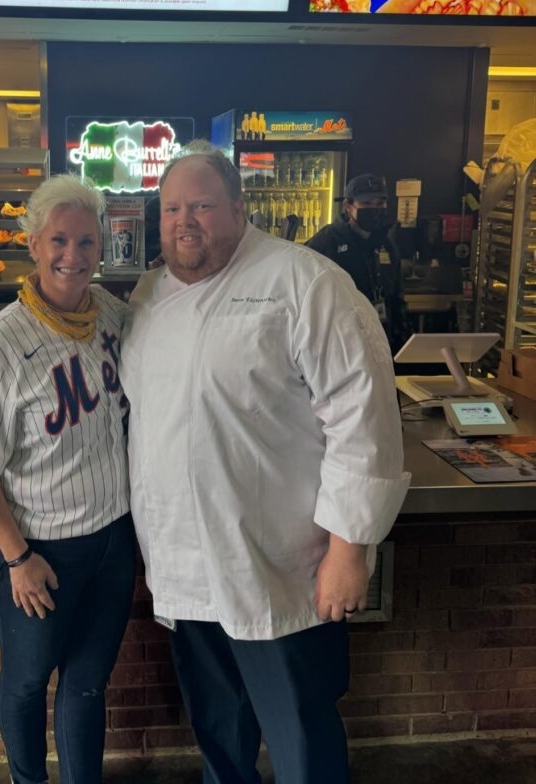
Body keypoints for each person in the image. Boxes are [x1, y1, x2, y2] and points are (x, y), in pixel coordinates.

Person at [120, 147, 409, 784]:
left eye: (201, 205)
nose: (184, 221)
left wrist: (349, 550)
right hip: (186, 567)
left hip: (282, 570)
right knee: (218, 734)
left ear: (239, 209)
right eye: (171, 208)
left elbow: (364, 421)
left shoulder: (304, 282)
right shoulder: (148, 294)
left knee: (300, 737)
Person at [0, 174, 135, 784]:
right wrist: (17, 556)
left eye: (86, 242)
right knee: (28, 682)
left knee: (86, 684)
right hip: (40, 550)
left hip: (112, 540)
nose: (73, 257)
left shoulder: (112, 313)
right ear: (32, 245)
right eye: (59, 240)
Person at [305, 173, 408, 353]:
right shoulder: (327, 242)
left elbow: (396, 295)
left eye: (380, 203)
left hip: (380, 341)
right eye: (366, 204)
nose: (375, 210)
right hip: (339, 345)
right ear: (348, 206)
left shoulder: (387, 244)